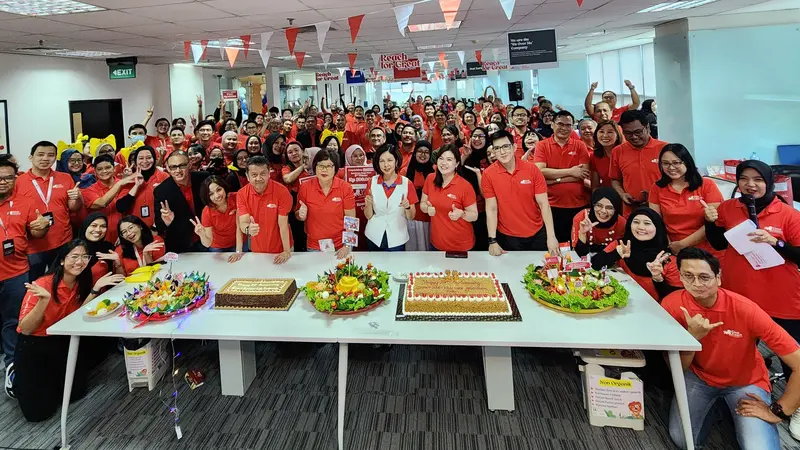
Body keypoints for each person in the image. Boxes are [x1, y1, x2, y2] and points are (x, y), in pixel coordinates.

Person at [662, 247, 800, 450]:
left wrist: (779, 411)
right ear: (680, 276)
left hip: (746, 382)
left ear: (718, 278)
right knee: (684, 440)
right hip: (699, 378)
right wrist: (692, 340)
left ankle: (724, 405)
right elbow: (677, 369)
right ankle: (720, 406)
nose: (696, 284)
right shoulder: (672, 305)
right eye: (688, 276)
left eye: (704, 277)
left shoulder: (746, 309)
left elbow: (798, 362)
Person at [704, 160, 800, 379]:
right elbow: (719, 244)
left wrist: (777, 243)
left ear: (768, 182)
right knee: (739, 349)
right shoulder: (728, 208)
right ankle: (745, 390)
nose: (750, 185)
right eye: (744, 179)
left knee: (791, 354)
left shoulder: (788, 214)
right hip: (740, 293)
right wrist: (709, 222)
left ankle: (796, 403)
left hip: (781, 298)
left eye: (757, 180)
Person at [13, 239, 123, 419]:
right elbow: (25, 329)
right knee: (38, 414)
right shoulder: (42, 285)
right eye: (74, 256)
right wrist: (43, 301)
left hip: (60, 340)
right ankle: (15, 377)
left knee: (76, 394)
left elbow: (78, 315)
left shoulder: (81, 282)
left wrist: (95, 289)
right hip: (33, 344)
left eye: (84, 257)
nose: (79, 261)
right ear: (62, 260)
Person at [0, 159, 47, 397]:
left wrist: (42, 226)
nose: (3, 182)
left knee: (13, 320)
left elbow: (37, 230)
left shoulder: (25, 202)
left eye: (8, 177)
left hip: (15, 272)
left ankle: (12, 364)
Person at [483, 130, 559, 255]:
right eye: (497, 148)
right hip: (508, 236)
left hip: (537, 233)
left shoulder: (532, 169)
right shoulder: (488, 174)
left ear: (514, 147)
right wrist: (492, 240)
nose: (502, 152)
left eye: (505, 146)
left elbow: (544, 204)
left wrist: (551, 236)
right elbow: (491, 208)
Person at [17, 141, 84, 280]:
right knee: (36, 285)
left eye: (50, 155)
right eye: (40, 155)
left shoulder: (65, 178)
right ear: (31, 157)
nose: (45, 159)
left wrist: (77, 198)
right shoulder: (19, 182)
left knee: (62, 282)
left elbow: (74, 208)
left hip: (63, 241)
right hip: (33, 246)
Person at [649, 144, 724, 258]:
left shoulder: (707, 185)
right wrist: (670, 245)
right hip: (674, 250)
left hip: (706, 251)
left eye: (676, 162)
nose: (671, 167)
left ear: (687, 162)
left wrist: (683, 244)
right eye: (665, 163)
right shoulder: (657, 188)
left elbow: (714, 222)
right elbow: (656, 222)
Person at [591, 207, 681, 300]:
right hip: (620, 302)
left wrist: (657, 278)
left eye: (647, 223)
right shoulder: (623, 244)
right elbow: (595, 264)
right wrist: (615, 254)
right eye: (636, 222)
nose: (641, 227)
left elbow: (673, 298)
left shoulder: (668, 259)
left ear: (657, 227)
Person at [533, 111, 591, 244]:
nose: (564, 128)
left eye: (568, 125)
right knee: (556, 245)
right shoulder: (542, 145)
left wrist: (553, 180)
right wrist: (571, 171)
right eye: (560, 124)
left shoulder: (580, 145)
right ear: (552, 125)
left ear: (572, 127)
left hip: (578, 205)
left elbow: (583, 173)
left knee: (577, 243)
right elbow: (540, 171)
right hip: (551, 205)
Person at [296, 150, 355, 258]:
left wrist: (347, 246)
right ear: (315, 167)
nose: (324, 170)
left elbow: (351, 219)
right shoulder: (305, 187)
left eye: (328, 166)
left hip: (340, 245)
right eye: (321, 166)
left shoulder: (345, 187)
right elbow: (298, 215)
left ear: (335, 168)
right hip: (315, 246)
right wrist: (300, 215)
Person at [419, 144, 477, 252]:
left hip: (461, 245)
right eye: (441, 158)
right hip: (436, 243)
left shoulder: (465, 186)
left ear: (457, 164)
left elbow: (474, 215)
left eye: (449, 159)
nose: (444, 163)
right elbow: (422, 203)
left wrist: (462, 214)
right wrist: (427, 209)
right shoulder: (430, 178)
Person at [237, 156, 293, 264]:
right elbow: (243, 222)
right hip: (257, 250)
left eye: (263, 173)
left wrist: (286, 251)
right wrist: (249, 229)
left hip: (281, 248)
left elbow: (283, 224)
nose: (258, 178)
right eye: (254, 175)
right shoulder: (241, 194)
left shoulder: (282, 191)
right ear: (247, 177)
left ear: (269, 174)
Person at [610, 110, 668, 215]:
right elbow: (615, 180)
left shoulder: (665, 149)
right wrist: (622, 194)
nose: (634, 137)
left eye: (638, 132)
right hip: (632, 211)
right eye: (628, 133)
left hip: (663, 209)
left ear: (648, 128)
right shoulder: (618, 151)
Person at [364, 145, 417, 251]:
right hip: (374, 236)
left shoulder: (407, 183)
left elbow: (411, 217)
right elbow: (368, 215)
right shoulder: (372, 181)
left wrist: (407, 207)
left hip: (397, 238)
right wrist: (368, 204)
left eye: (389, 160)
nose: (386, 165)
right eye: (382, 161)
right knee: (373, 266)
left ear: (396, 161)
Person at [154, 152, 209, 254]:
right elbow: (159, 225)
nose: (178, 171)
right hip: (181, 245)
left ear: (189, 165)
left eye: (182, 166)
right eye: (173, 167)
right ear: (168, 168)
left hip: (209, 237)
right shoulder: (161, 190)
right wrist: (167, 221)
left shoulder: (204, 178)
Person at [82, 155, 135, 245]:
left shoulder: (128, 184)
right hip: (100, 238)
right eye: (100, 169)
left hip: (126, 235)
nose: (104, 171)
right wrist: (119, 184)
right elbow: (101, 203)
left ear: (114, 169)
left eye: (107, 167)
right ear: (95, 172)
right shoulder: (89, 191)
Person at [115, 146, 169, 230]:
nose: (145, 161)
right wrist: (136, 186)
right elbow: (121, 207)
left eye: (148, 157)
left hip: (159, 230)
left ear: (154, 159)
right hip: (135, 231)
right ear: (135, 161)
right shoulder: (129, 179)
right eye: (140, 158)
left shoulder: (164, 177)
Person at [191, 176, 243, 262]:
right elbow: (207, 244)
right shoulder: (207, 212)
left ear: (224, 187)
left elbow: (239, 228)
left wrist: (238, 252)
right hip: (218, 247)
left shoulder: (237, 198)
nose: (217, 195)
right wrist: (202, 235)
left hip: (239, 242)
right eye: (211, 194)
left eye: (219, 190)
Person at [460, 127, 491, 251]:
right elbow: (455, 174)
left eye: (481, 136)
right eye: (475, 136)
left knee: (483, 241)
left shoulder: (490, 155)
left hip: (486, 207)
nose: (477, 139)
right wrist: (464, 157)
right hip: (466, 206)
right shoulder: (465, 153)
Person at [572, 187, 626, 256]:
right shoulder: (581, 218)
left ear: (616, 208)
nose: (603, 211)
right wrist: (582, 234)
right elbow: (579, 254)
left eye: (609, 207)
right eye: (599, 205)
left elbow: (617, 253)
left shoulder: (621, 223)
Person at [79, 212, 124, 287]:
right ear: (85, 226)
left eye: (103, 226)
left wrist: (118, 263)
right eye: (94, 225)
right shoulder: (74, 249)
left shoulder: (108, 247)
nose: (98, 230)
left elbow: (119, 280)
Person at [405, 141, 434, 251]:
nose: (423, 154)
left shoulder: (435, 170)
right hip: (412, 217)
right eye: (420, 151)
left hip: (431, 218)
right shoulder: (406, 171)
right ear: (414, 153)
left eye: (426, 152)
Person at [590, 120, 623, 190]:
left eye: (610, 132)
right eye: (601, 131)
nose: (605, 135)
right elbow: (595, 187)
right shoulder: (594, 156)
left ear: (617, 135)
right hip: (606, 195)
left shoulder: (625, 154)